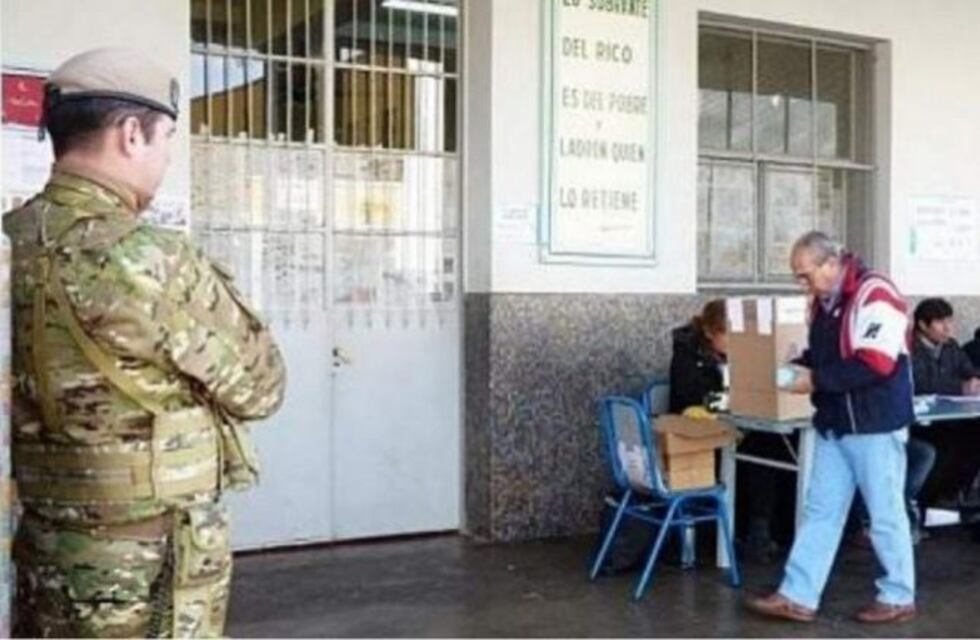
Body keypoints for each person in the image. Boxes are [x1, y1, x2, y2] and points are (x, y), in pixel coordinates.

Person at [3, 48, 287, 637]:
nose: (164, 158)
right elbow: (261, 387)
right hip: (145, 568)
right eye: (166, 139)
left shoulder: (12, 241)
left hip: (42, 551)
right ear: (132, 134)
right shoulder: (149, 259)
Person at [746, 231, 917, 624]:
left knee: (885, 512)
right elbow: (826, 354)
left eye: (804, 275)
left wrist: (815, 380)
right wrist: (800, 363)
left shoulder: (876, 294)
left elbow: (875, 362)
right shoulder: (825, 301)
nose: (801, 284)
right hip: (836, 423)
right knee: (820, 510)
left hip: (874, 424)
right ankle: (798, 594)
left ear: (830, 264)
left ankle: (898, 594)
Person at [668, 300, 794, 562]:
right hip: (698, 436)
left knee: (774, 447)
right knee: (761, 453)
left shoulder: (738, 353)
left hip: (738, 428)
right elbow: (691, 397)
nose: (732, 343)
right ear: (709, 332)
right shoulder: (687, 356)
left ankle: (766, 528)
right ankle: (757, 530)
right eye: (727, 336)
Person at [910, 298, 980, 511]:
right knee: (943, 446)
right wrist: (960, 387)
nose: (948, 327)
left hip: (951, 417)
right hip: (920, 423)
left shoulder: (950, 347)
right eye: (941, 322)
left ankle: (951, 495)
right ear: (922, 325)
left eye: (949, 321)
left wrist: (976, 380)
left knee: (974, 435)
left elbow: (968, 370)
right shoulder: (910, 349)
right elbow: (919, 383)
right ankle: (926, 501)